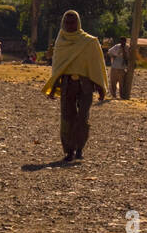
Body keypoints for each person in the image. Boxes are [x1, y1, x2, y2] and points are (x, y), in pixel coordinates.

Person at [44, 10, 107, 162]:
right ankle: (69, 151)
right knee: (67, 118)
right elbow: (57, 67)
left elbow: (97, 65)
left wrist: (100, 87)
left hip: (85, 85)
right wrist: (53, 86)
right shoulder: (61, 41)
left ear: (78, 23)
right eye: (67, 22)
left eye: (72, 22)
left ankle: (79, 148)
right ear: (63, 23)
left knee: (82, 118)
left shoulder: (89, 42)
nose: (70, 25)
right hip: (67, 85)